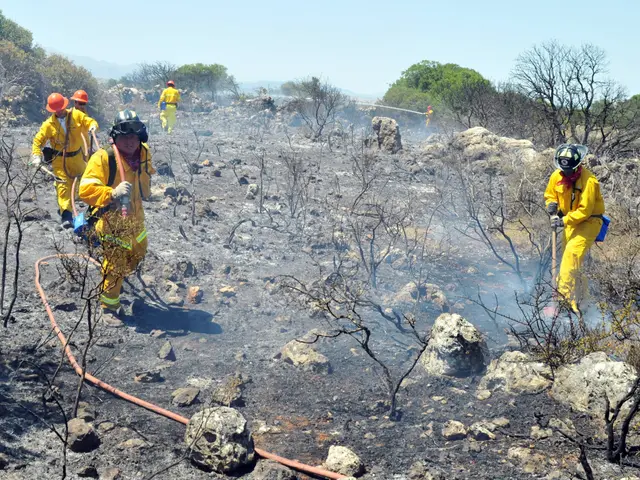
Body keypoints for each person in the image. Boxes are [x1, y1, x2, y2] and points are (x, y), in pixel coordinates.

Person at [78, 110, 154, 326]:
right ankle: (109, 307)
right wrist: (111, 192)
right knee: (115, 264)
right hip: (112, 220)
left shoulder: (144, 152)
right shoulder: (103, 158)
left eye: (134, 136)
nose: (130, 141)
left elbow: (146, 175)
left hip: (136, 218)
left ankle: (114, 281)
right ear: (115, 137)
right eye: (125, 137)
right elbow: (85, 189)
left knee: (139, 251)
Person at [544, 144, 605, 313]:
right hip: (569, 222)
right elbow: (550, 194)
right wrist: (551, 205)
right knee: (573, 264)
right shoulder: (557, 175)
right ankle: (584, 301)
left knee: (570, 258)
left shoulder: (589, 181)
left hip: (589, 223)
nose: (566, 173)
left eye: (569, 170)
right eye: (564, 170)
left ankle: (563, 305)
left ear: (577, 166)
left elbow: (585, 211)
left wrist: (563, 221)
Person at [31, 93, 99, 228]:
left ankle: (93, 213)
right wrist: (36, 155)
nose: (59, 111)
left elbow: (89, 121)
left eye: (61, 108)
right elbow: (38, 141)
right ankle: (66, 216)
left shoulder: (76, 115)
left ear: (65, 105)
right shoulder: (48, 125)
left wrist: (93, 127)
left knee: (86, 184)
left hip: (78, 158)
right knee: (63, 188)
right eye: (56, 109)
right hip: (60, 161)